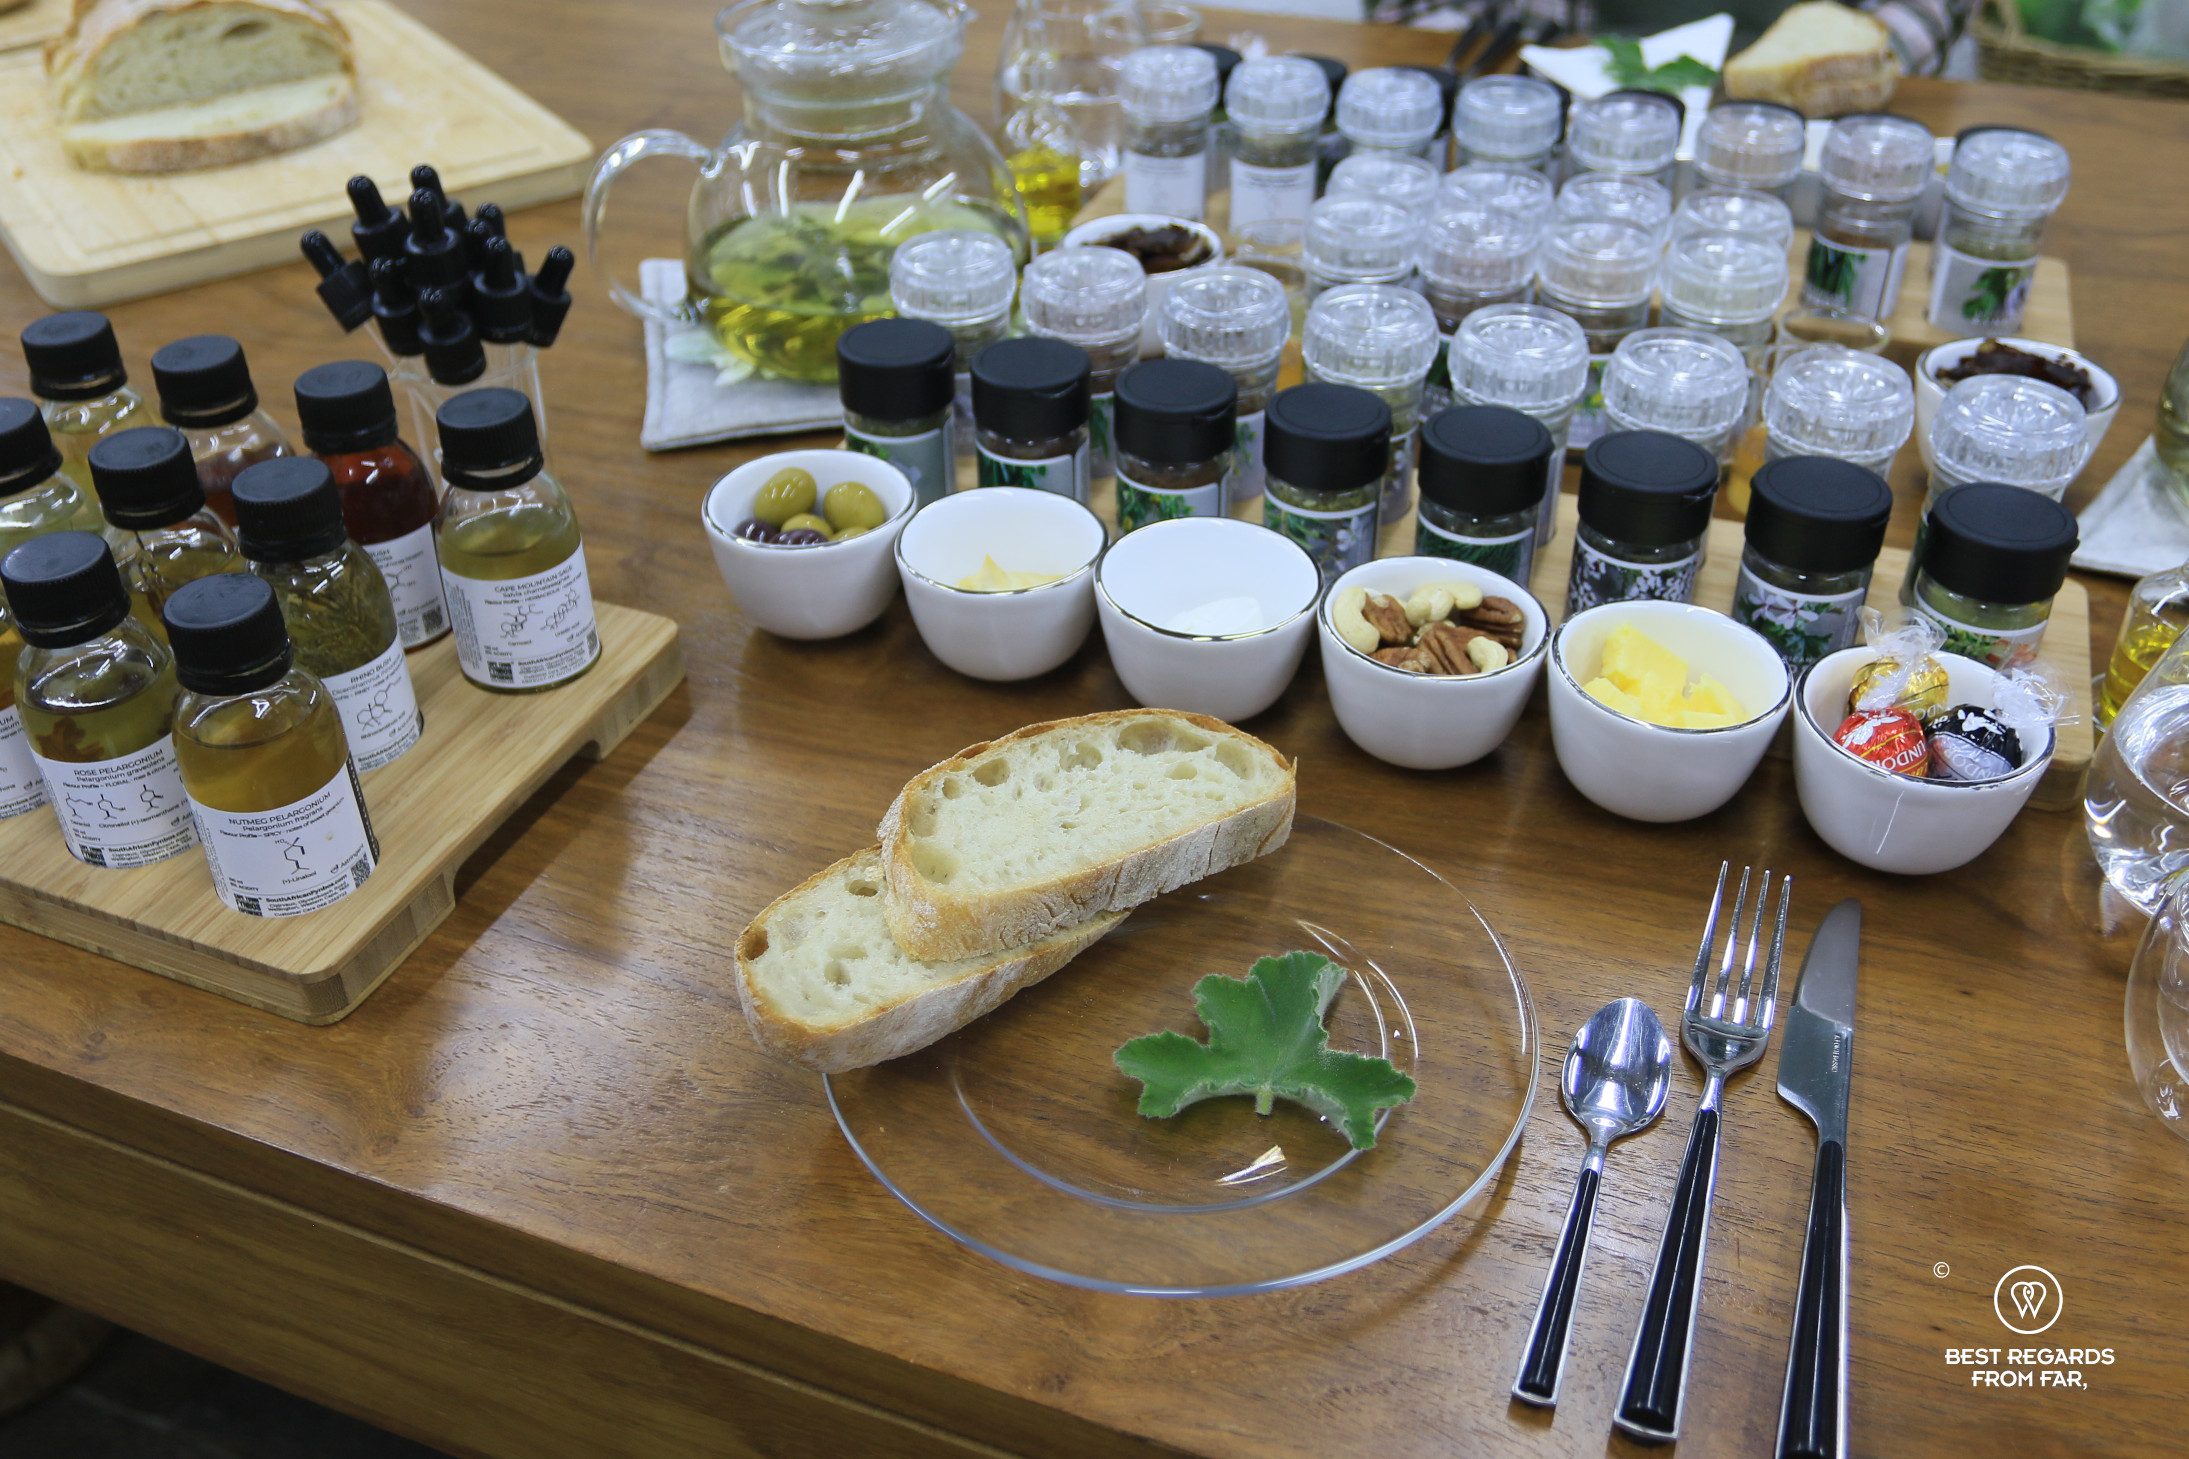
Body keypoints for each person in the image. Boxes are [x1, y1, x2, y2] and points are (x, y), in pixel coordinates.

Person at [1376, 0, 1971, 79]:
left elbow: (1928, 12)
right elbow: (1413, 12)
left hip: (1791, 118)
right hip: (1564, 88)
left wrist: (1860, 64)